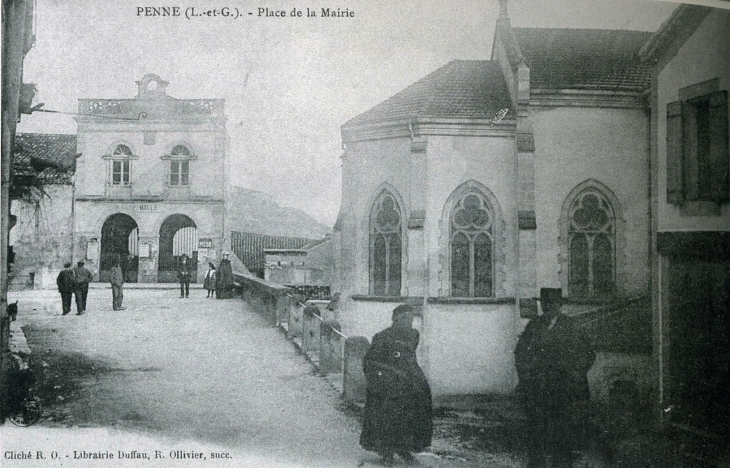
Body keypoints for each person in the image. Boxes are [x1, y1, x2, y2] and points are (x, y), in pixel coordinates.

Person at [514, 288, 596, 468]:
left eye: (553, 303)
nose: (548, 307)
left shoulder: (571, 327)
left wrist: (576, 373)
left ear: (560, 305)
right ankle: (537, 464)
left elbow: (588, 353)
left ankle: (562, 464)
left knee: (562, 431)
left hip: (563, 389)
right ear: (541, 305)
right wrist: (526, 376)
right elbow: (520, 353)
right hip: (538, 388)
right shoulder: (534, 325)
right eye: (545, 304)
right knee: (536, 430)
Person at [360, 304, 432, 465]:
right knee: (389, 416)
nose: (410, 322)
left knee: (413, 414)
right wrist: (388, 375)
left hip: (409, 381)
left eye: (411, 318)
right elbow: (370, 361)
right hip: (388, 383)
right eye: (406, 318)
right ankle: (387, 452)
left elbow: (408, 357)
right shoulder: (382, 337)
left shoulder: (413, 335)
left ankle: (405, 448)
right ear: (396, 319)